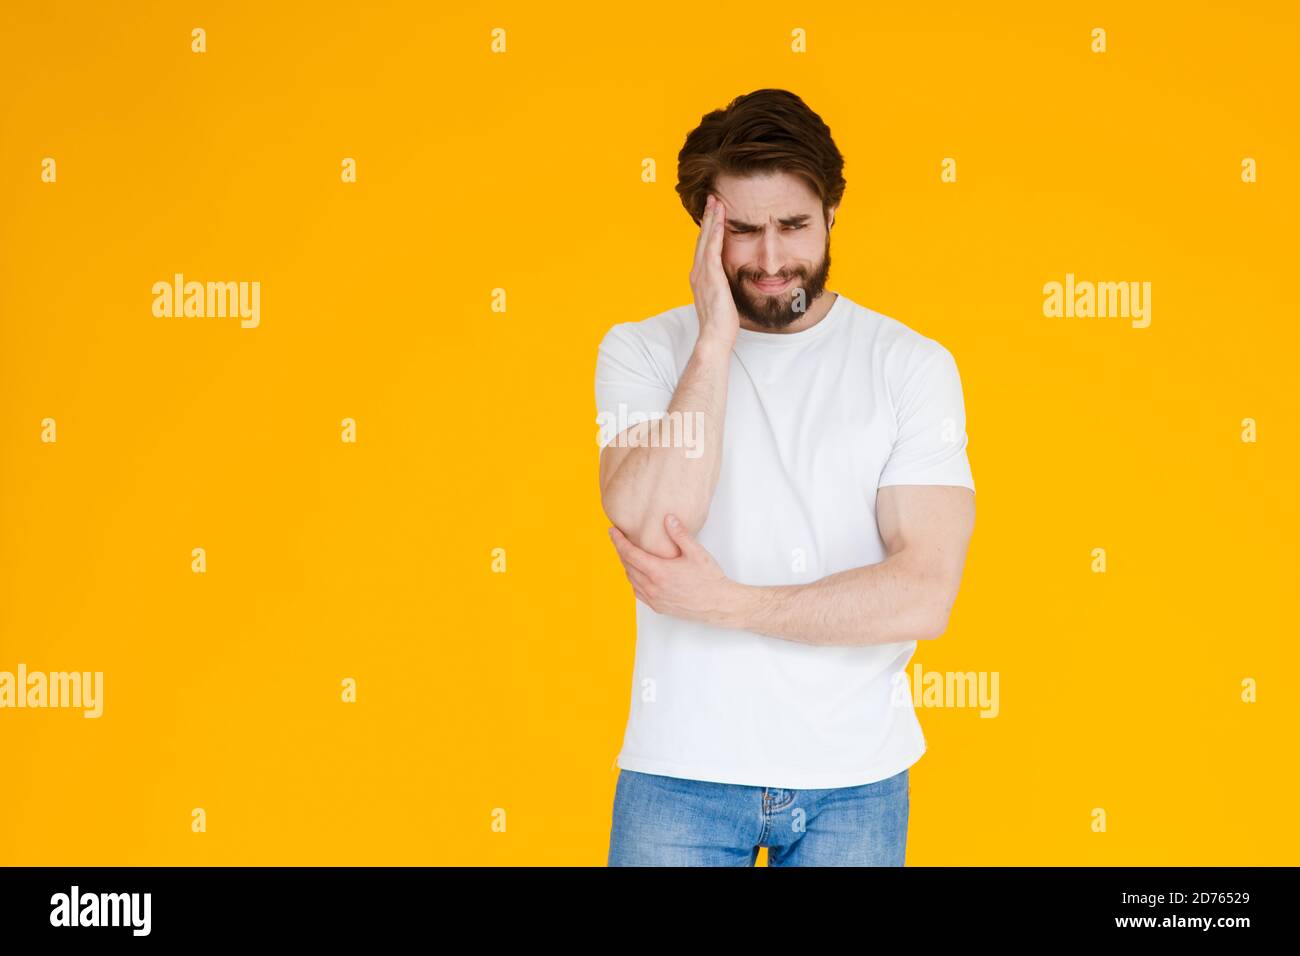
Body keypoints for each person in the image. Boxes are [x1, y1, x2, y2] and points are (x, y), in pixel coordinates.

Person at [595, 89, 976, 866]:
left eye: (794, 227)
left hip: (856, 783)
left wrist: (725, 604)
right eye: (741, 231)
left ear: (833, 214)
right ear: (705, 229)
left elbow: (925, 592)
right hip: (679, 775)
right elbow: (652, 521)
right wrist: (713, 345)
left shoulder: (909, 365)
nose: (771, 260)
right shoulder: (640, 352)